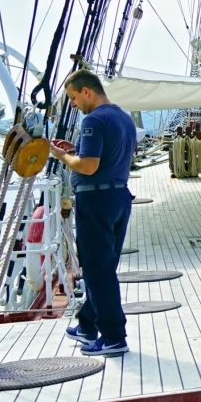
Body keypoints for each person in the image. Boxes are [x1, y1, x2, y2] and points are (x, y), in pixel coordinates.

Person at [50, 69, 137, 356]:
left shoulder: (94, 119)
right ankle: (87, 324)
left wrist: (60, 154)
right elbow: (109, 156)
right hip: (119, 198)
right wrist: (78, 148)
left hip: (96, 202)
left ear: (86, 92)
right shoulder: (123, 117)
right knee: (104, 267)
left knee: (98, 270)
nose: (73, 105)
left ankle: (113, 336)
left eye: (74, 98)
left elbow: (88, 167)